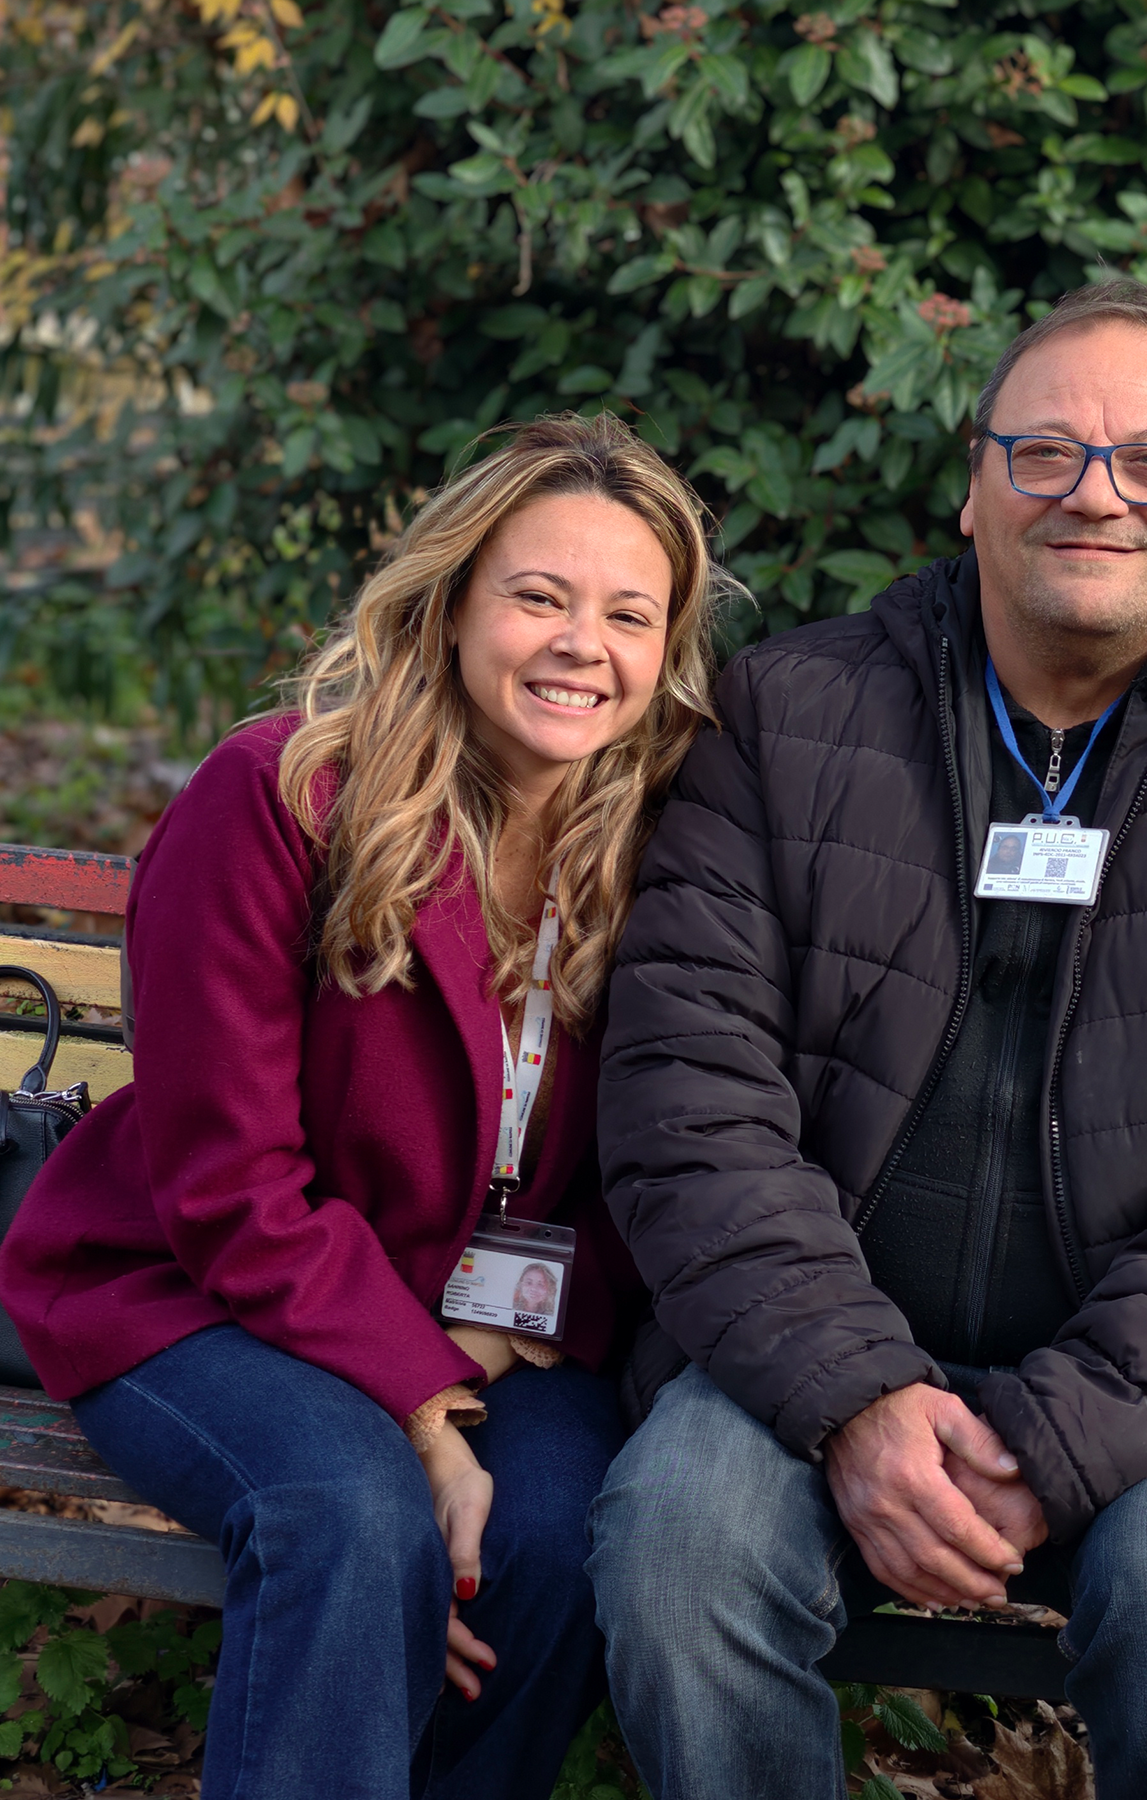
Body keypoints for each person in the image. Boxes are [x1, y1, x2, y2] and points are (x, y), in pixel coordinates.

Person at [587, 278, 1147, 1800]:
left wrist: (1050, 1441)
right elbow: (684, 1099)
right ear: (972, 490)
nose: (1097, 493)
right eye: (1045, 452)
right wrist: (851, 1397)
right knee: (678, 1544)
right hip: (814, 1355)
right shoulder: (786, 719)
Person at [0, 412, 724, 1800]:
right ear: (453, 605)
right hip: (201, 1289)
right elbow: (227, 1186)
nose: (584, 643)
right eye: (539, 596)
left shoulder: (662, 843)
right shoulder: (283, 800)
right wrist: (427, 1408)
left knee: (565, 1531)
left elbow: (667, 1157)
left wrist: (497, 1346)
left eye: (630, 613)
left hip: (501, 1316)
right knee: (348, 1512)